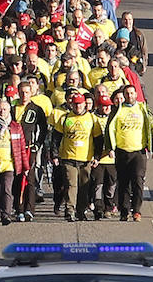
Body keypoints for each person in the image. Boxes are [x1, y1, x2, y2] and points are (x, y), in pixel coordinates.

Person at [105, 84, 153, 222]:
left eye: (132, 93)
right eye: (127, 93)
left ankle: (137, 210)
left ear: (136, 94)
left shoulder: (142, 108)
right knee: (123, 183)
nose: (130, 96)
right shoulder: (117, 110)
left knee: (138, 181)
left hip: (138, 152)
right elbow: (109, 130)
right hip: (122, 151)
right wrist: (110, 148)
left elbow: (152, 128)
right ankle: (124, 210)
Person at [52, 92, 102, 222]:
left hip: (86, 159)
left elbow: (98, 140)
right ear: (71, 104)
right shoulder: (65, 118)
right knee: (71, 185)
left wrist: (97, 157)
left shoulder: (92, 119)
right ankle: (70, 210)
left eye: (80, 104)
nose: (77, 106)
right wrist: (55, 154)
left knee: (84, 186)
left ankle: (81, 211)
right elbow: (56, 138)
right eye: (75, 104)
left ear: (85, 104)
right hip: (68, 157)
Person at [13, 80, 48, 222]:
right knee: (16, 179)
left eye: (27, 92)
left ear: (31, 92)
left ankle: (29, 209)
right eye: (21, 92)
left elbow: (43, 128)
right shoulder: (12, 107)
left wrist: (38, 144)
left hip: (29, 148)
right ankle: (18, 208)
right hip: (14, 148)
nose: (24, 95)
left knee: (30, 179)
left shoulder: (36, 109)